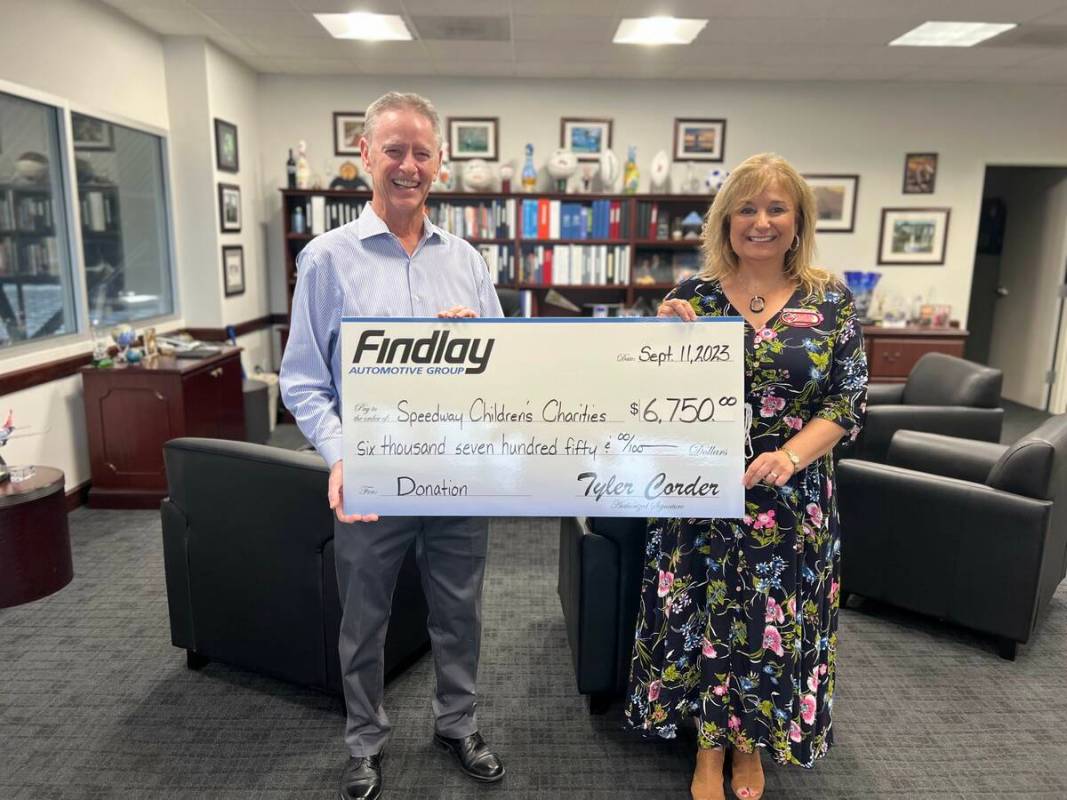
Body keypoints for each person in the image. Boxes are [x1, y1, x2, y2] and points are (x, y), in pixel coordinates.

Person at [279, 92, 505, 800]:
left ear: (439, 162)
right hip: (372, 472)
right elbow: (303, 382)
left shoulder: (466, 259)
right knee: (365, 616)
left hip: (456, 470)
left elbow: (508, 366)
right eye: (394, 151)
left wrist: (479, 345)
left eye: (421, 153)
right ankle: (364, 741)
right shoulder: (326, 259)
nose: (408, 166)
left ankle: (456, 722)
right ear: (365, 157)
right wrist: (341, 456)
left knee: (458, 609)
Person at [624, 153, 868, 800]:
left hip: (791, 501)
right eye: (746, 208)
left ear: (797, 221)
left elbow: (847, 403)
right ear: (725, 219)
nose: (759, 222)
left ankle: (749, 743)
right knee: (704, 614)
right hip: (700, 497)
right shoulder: (690, 299)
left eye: (775, 208)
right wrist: (657, 345)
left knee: (769, 621)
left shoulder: (831, 302)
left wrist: (790, 455)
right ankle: (706, 744)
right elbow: (648, 399)